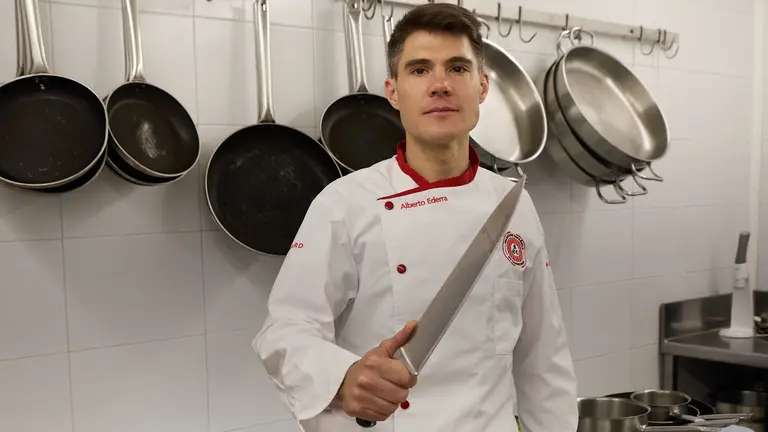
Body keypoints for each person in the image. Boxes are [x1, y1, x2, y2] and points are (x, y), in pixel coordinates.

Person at [253, 2, 578, 431]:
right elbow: (285, 331)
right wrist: (342, 377)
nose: (440, 84)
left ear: (482, 86)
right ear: (393, 91)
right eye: (420, 70)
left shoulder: (514, 205)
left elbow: (543, 359)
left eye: (458, 69)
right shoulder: (345, 203)